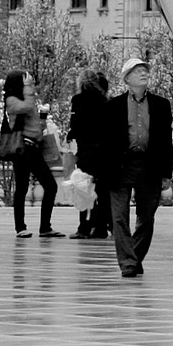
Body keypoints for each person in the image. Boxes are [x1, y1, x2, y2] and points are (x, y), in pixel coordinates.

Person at [94, 58, 173, 278]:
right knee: (119, 217)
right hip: (120, 166)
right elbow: (105, 142)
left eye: (145, 71)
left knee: (146, 216)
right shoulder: (112, 106)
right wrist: (100, 173)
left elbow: (166, 141)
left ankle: (134, 256)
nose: (144, 74)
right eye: (138, 71)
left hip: (149, 166)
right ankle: (128, 262)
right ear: (127, 78)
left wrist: (167, 173)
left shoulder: (161, 104)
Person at [1, 70, 61, 239]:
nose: (32, 84)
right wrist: (28, 89)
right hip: (22, 149)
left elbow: (35, 127)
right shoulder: (12, 100)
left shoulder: (28, 99)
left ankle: (44, 226)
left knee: (46, 185)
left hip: (33, 147)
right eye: (27, 81)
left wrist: (42, 119)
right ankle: (21, 227)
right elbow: (25, 108)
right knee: (24, 187)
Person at [68, 69, 111, 241]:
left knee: (83, 188)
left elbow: (75, 125)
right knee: (100, 189)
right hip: (103, 150)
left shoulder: (78, 100)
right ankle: (101, 226)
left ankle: (84, 227)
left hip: (86, 150)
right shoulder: (105, 101)